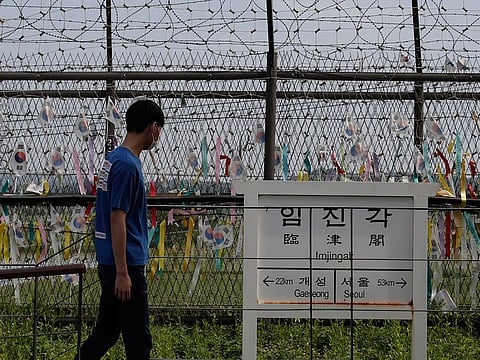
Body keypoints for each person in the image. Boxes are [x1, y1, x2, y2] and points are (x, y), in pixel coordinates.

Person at [76, 98, 164, 360]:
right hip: (125, 264)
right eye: (159, 129)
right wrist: (124, 273)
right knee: (139, 340)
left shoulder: (113, 159)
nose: (158, 136)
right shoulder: (127, 166)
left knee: (107, 331)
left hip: (109, 260)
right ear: (152, 127)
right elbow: (118, 217)